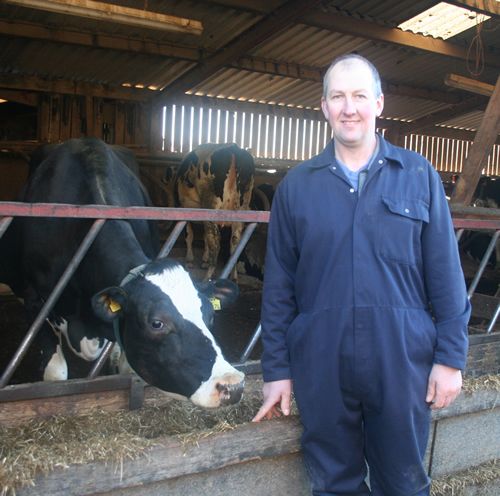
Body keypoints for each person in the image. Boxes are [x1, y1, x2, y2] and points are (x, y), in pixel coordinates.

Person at [252, 53, 470, 496]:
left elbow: (446, 275)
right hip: (322, 360)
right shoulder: (297, 187)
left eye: (359, 96)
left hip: (402, 360)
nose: (349, 107)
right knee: (334, 484)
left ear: (379, 103)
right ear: (324, 106)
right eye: (338, 96)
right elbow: (279, 288)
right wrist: (277, 369)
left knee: (404, 483)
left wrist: (449, 359)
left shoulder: (417, 176)